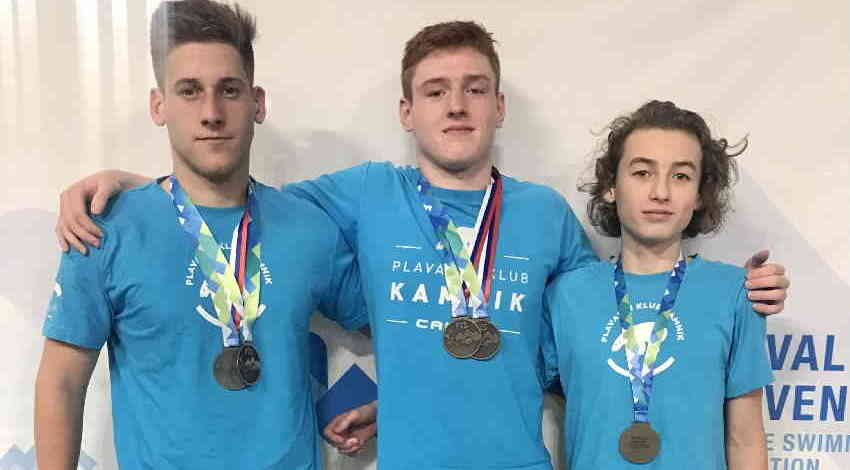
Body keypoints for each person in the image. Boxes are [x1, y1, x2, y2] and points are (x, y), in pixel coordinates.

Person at [53, 22, 789, 469]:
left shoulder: (546, 216)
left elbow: (607, 328)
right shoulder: (363, 195)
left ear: (499, 105)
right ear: (407, 111)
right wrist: (135, 187)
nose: (456, 105)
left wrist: (741, 292)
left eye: (474, 88)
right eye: (435, 91)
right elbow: (227, 198)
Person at [34, 1, 367, 469]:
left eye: (229, 90)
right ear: (159, 106)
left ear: (257, 103)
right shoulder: (104, 230)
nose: (211, 113)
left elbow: (402, 325)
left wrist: (380, 400)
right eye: (189, 91)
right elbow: (62, 384)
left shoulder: (309, 228)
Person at [544, 100, 772, 469]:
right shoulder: (564, 296)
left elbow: (745, 439)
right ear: (611, 186)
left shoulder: (734, 294)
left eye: (681, 176)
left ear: (699, 195)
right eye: (642, 173)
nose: (661, 192)